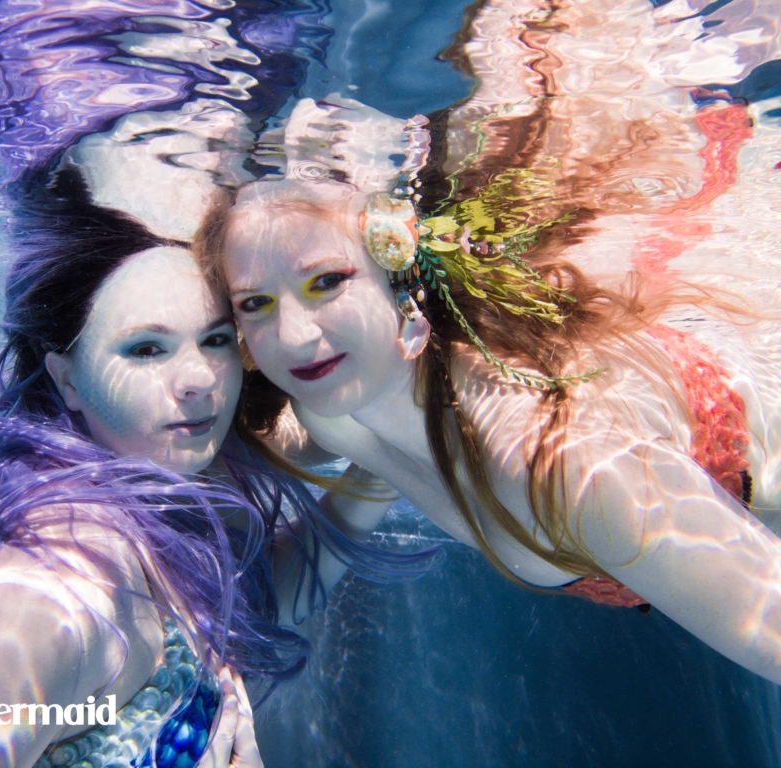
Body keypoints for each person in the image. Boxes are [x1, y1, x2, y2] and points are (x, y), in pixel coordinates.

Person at [194, 11, 781, 687]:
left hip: (754, 462)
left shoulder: (561, 467)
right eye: (255, 304)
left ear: (402, 286)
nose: (293, 335)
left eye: (327, 282)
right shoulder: (334, 406)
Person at [0, 161, 394, 768]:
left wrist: (384, 462)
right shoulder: (55, 587)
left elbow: (253, 599)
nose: (200, 379)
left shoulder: (170, 481)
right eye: (146, 348)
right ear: (67, 379)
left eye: (215, 339)